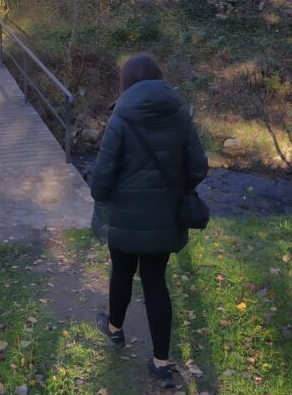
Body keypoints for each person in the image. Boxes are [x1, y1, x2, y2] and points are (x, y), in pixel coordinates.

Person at [90, 54, 209, 389]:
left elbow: (100, 183)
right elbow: (199, 168)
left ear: (126, 82)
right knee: (156, 281)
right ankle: (160, 363)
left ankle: (114, 329)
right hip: (165, 217)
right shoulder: (180, 114)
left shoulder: (121, 116)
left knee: (122, 271)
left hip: (125, 219)